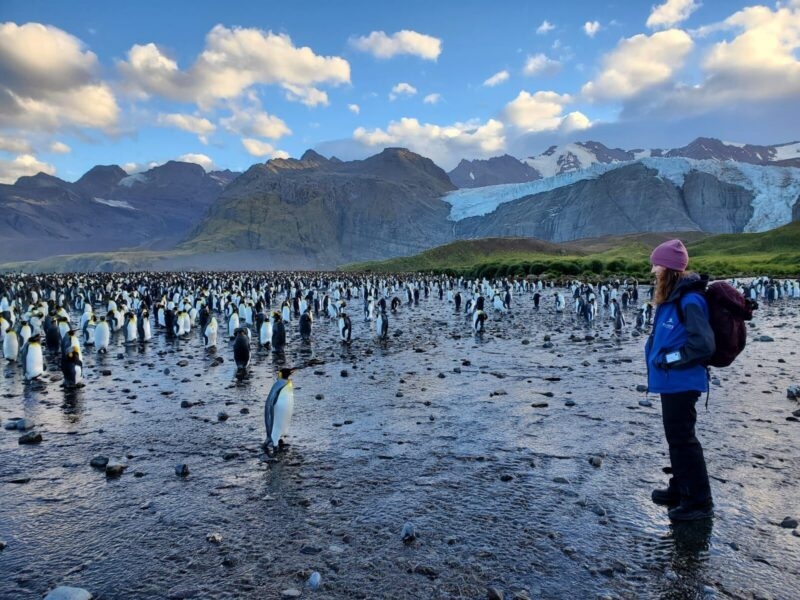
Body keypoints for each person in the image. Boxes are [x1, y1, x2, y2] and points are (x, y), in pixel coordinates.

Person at [645, 239, 716, 521]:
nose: (653, 271)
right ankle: (680, 488)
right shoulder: (674, 297)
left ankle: (699, 501)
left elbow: (703, 345)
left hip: (682, 381)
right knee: (676, 439)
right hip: (671, 381)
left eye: (657, 265)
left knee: (684, 440)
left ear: (670, 269)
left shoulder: (690, 300)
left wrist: (667, 359)